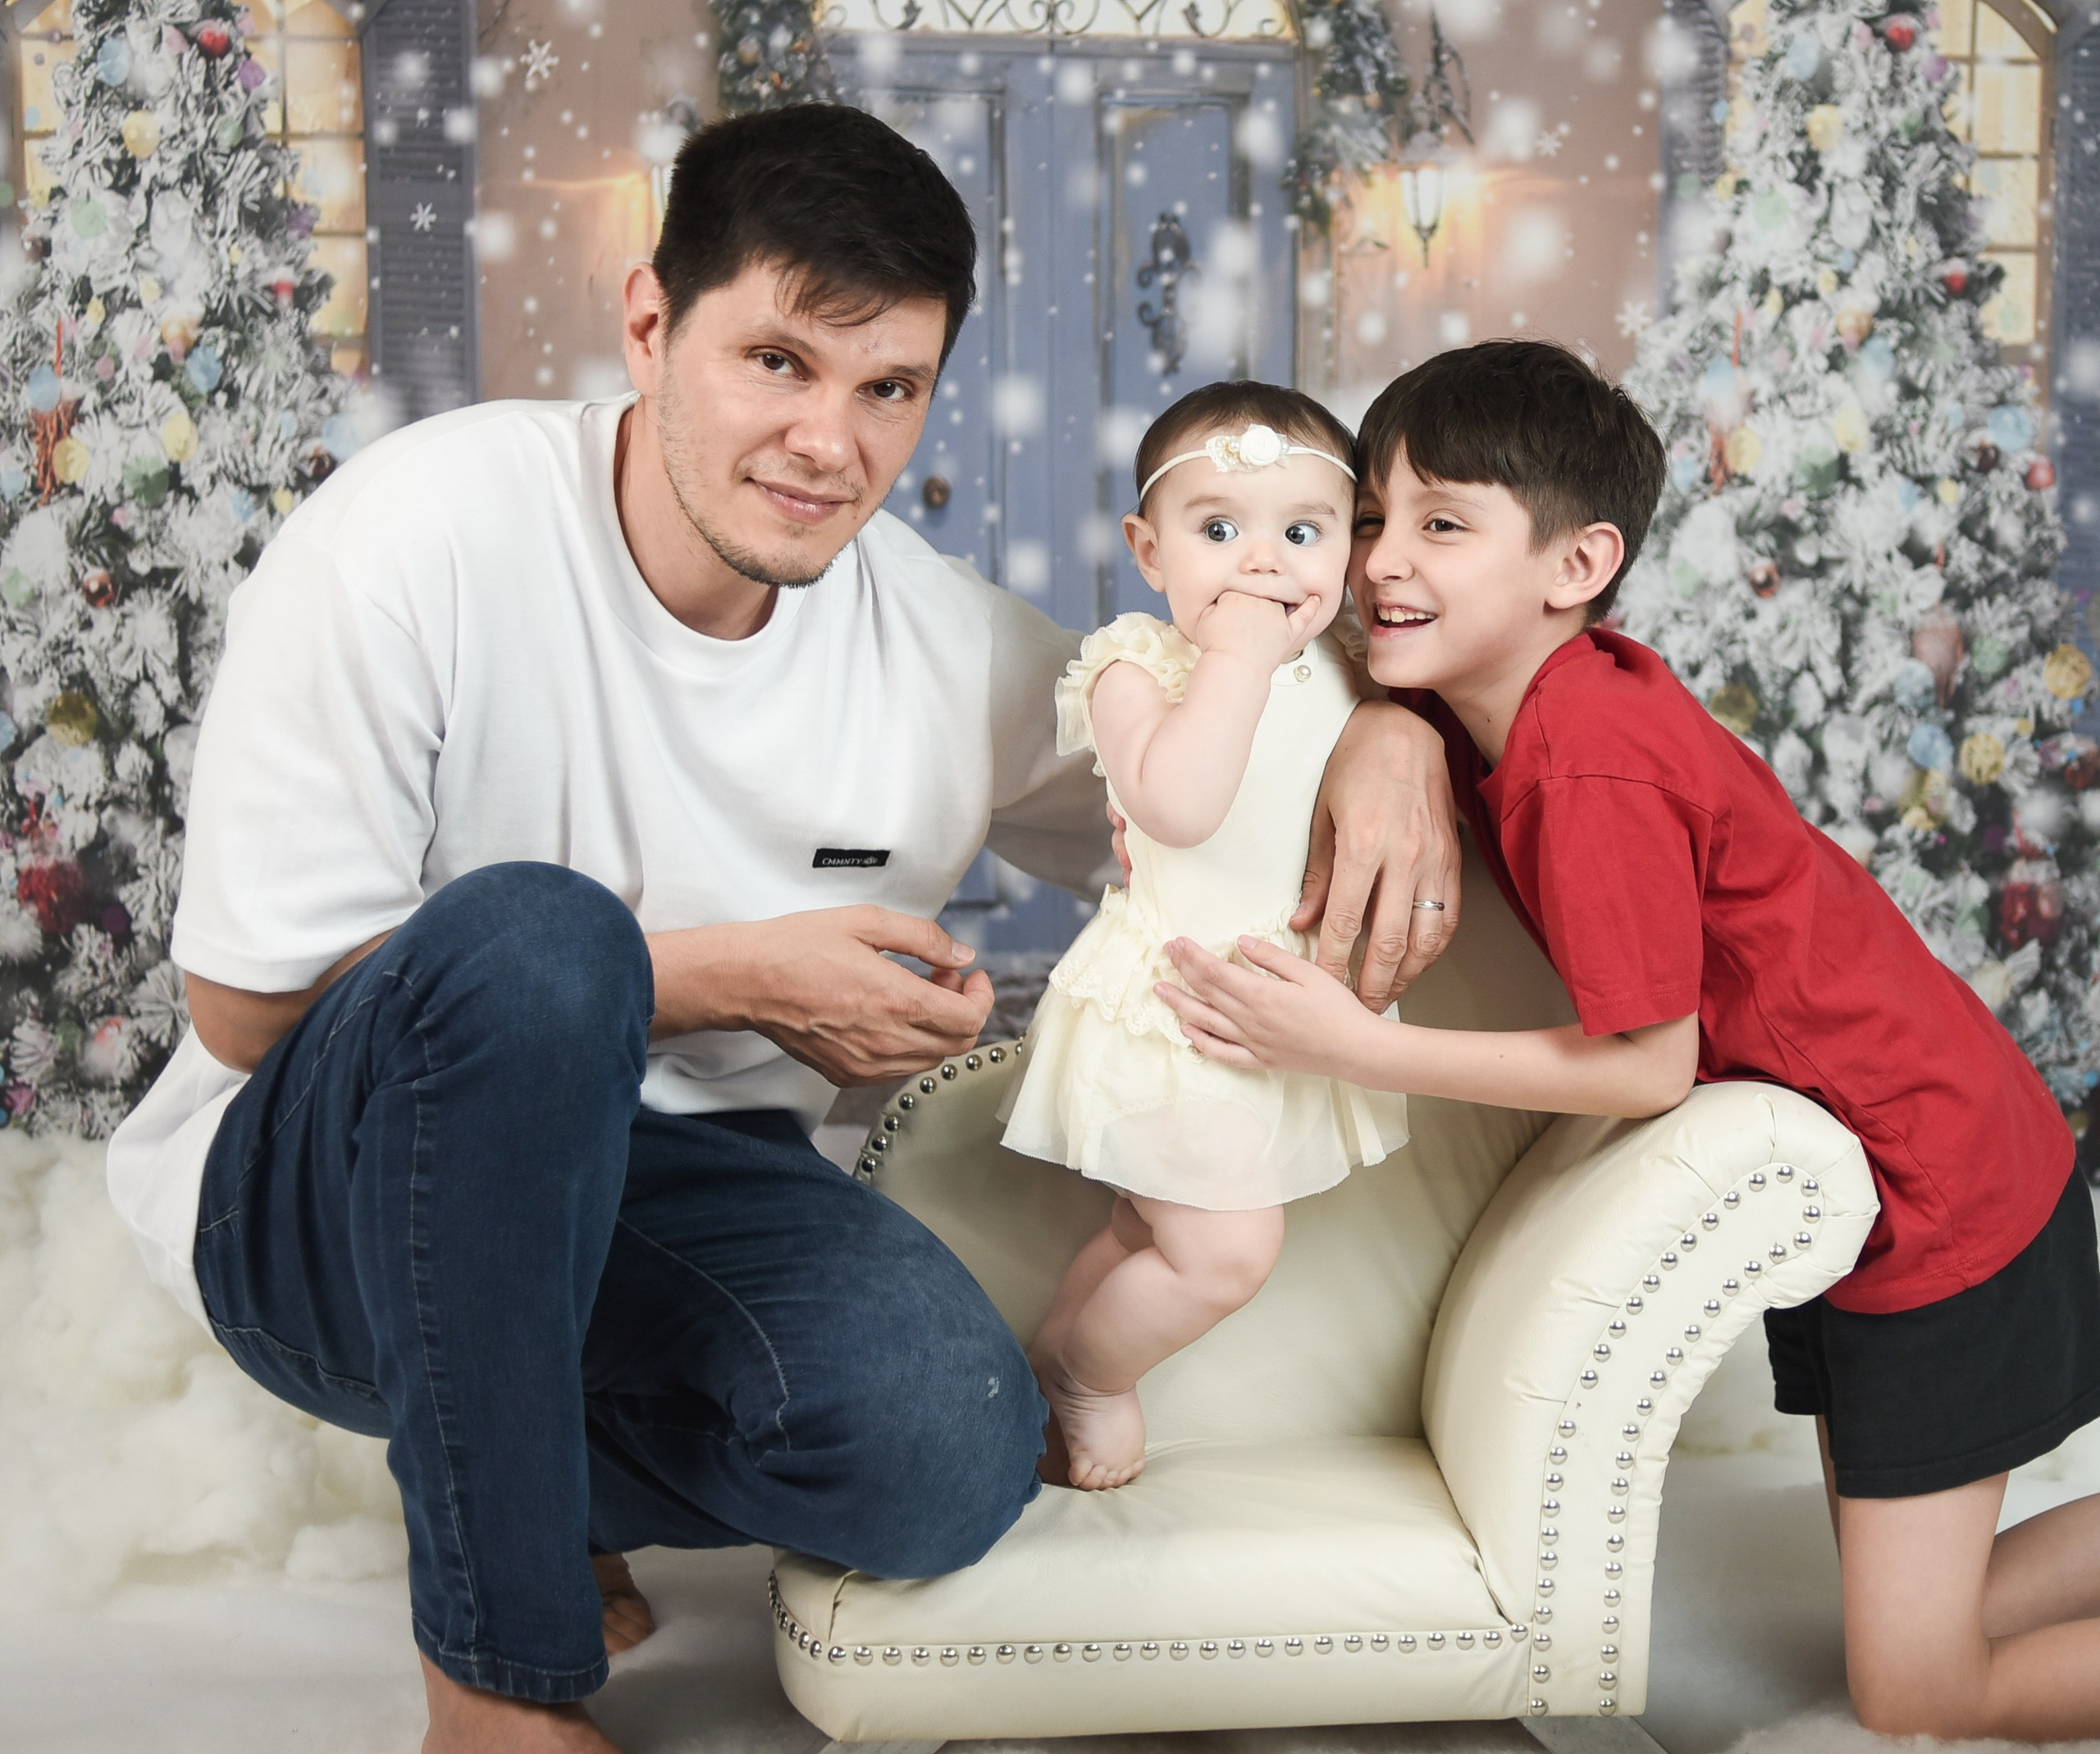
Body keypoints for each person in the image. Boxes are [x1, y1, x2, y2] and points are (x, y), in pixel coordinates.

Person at [103, 107, 1466, 1754]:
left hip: (681, 1189)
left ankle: (515, 1469)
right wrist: (726, 975)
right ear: (647, 327)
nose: (828, 441)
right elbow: (246, 1013)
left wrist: (1386, 730)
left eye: (884, 387)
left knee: (943, 1450)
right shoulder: (417, 534)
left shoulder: (949, 654)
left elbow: (1200, 764)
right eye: (775, 362)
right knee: (542, 943)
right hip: (311, 1198)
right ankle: (494, 1680)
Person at [1157, 338, 2100, 1742]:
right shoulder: (1530, 695)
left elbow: (1647, 1066)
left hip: (1942, 1193)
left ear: (1578, 563)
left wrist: (1347, 1042)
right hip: (1922, 1157)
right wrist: (1384, 721)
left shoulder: (1586, 755)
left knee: (1919, 1688)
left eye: (1442, 525)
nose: (1377, 566)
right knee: (1910, 1592)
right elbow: (1342, 667)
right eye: (1370, 522)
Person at [1001, 383, 1412, 1491]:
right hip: (1179, 1005)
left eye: (1303, 531)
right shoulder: (1138, 666)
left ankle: (1042, 1367)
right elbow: (1179, 805)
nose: (1263, 564)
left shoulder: (1349, 663)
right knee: (1227, 1251)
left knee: (1157, 1232)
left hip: (1277, 1010)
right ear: (1149, 548)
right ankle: (1089, 1373)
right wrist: (1232, 659)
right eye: (1218, 529)